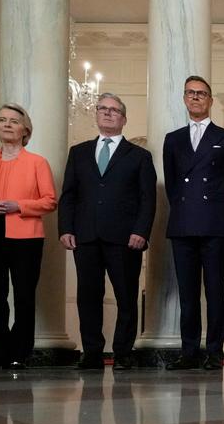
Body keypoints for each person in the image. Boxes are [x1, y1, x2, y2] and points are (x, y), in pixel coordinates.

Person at [59, 93, 157, 371]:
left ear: (123, 119)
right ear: (96, 114)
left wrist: (141, 231)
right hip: (85, 236)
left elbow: (148, 198)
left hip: (125, 238)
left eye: (114, 110)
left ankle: (123, 354)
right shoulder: (78, 152)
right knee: (88, 297)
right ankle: (92, 353)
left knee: (126, 297)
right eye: (102, 108)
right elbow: (69, 194)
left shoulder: (139, 156)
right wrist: (66, 227)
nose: (107, 113)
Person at [162, 75, 224, 371]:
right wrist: (181, 210)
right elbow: (172, 183)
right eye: (190, 93)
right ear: (184, 99)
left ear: (210, 100)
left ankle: (214, 351)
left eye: (201, 93)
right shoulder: (173, 139)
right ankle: (189, 352)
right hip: (183, 224)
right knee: (187, 294)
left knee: (214, 291)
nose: (196, 97)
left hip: (215, 225)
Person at [0, 102, 57, 371]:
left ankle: (20, 353)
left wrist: (19, 206)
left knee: (24, 295)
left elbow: (50, 200)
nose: (7, 124)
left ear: (25, 130)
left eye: (14, 121)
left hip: (26, 235)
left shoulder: (38, 162)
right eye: (2, 120)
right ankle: (0, 354)